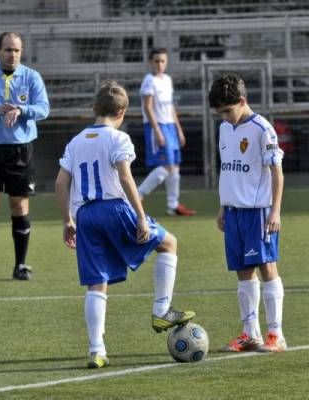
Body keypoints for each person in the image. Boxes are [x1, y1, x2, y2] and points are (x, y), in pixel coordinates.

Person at [55, 81, 195, 369]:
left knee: (97, 282)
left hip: (86, 216)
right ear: (122, 111)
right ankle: (161, 310)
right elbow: (125, 178)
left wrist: (67, 220)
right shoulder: (119, 139)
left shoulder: (76, 141)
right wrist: (141, 216)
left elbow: (60, 182)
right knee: (169, 243)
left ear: (94, 109)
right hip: (115, 209)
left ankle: (97, 350)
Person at [208, 72, 287, 353]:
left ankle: (276, 334)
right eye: (220, 114)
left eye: (228, 111)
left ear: (242, 100)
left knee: (267, 267)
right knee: (242, 272)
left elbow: (276, 172)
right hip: (234, 212)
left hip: (258, 212)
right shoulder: (225, 129)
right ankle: (249, 333)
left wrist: (275, 211)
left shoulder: (262, 129)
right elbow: (229, 169)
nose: (225, 117)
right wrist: (223, 206)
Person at [0, 32, 50, 282]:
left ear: (21, 52)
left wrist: (21, 109)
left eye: (16, 50)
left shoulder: (32, 77)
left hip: (21, 150)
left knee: (19, 206)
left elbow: (44, 109)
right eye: (8, 50)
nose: (12, 55)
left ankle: (21, 265)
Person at [137, 48, 196, 216]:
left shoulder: (167, 80)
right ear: (150, 62)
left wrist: (179, 129)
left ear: (166, 62)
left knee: (175, 167)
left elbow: (170, 107)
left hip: (170, 126)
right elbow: (148, 108)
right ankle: (138, 194)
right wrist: (157, 131)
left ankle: (173, 205)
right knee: (166, 166)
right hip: (157, 126)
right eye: (156, 61)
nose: (159, 64)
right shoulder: (149, 81)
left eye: (162, 61)